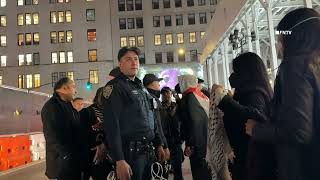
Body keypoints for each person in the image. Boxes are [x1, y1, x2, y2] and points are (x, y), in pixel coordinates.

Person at [245, 8, 320, 180]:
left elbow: (298, 130)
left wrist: (256, 129)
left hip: (300, 167)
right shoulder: (314, 63)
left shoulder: (295, 66)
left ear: (295, 35)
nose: (279, 41)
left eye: (282, 34)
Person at [103, 47, 165, 180]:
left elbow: (151, 117)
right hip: (130, 154)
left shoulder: (141, 87)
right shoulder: (115, 88)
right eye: (128, 59)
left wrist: (159, 143)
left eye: (136, 59)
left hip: (148, 151)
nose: (134, 62)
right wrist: (119, 160)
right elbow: (112, 126)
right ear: (120, 64)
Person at [212, 52, 275, 180]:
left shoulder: (254, 93)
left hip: (252, 163)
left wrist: (224, 99)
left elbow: (253, 114)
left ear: (246, 72)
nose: (232, 76)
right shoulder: (255, 91)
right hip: (251, 161)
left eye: (236, 71)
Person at [41, 77, 83, 180]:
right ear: (64, 88)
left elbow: (75, 129)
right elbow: (52, 137)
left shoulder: (68, 105)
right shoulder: (51, 107)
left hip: (72, 163)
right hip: (61, 166)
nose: (76, 91)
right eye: (73, 87)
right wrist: (66, 156)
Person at [178, 74, 211, 180]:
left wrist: (190, 144)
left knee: (200, 172)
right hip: (205, 139)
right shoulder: (200, 95)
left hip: (198, 144)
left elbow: (194, 122)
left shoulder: (190, 97)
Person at [80, 87, 113, 180]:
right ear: (99, 96)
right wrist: (98, 143)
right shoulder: (87, 112)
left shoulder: (112, 113)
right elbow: (81, 134)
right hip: (94, 156)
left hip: (111, 155)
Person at [143, 74, 170, 163]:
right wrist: (163, 145)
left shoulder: (145, 97)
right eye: (157, 82)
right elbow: (157, 124)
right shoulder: (152, 99)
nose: (159, 84)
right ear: (152, 84)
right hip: (156, 144)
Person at [160, 86, 184, 180]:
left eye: (167, 92)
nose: (165, 95)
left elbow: (183, 119)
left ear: (171, 94)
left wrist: (176, 96)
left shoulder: (177, 106)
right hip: (165, 141)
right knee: (164, 167)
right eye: (163, 93)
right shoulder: (159, 107)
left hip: (176, 140)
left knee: (178, 168)